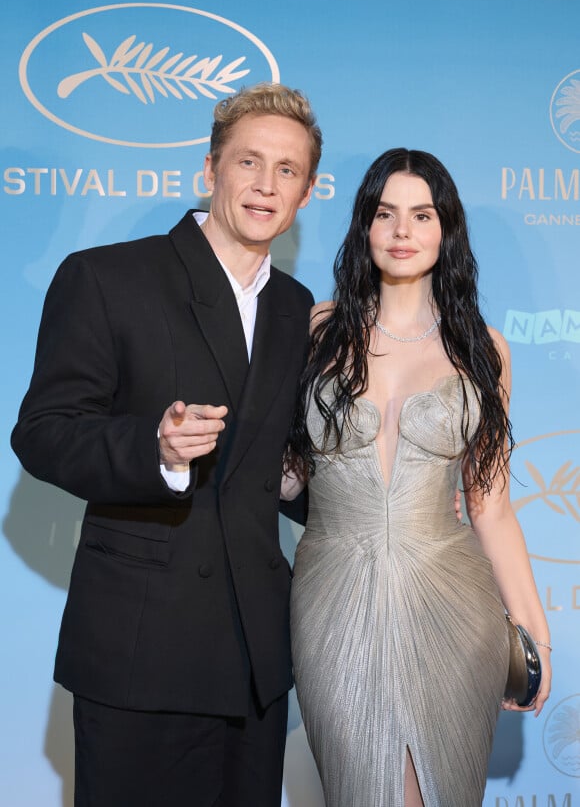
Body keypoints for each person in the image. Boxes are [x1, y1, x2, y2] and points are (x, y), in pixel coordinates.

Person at [11, 83, 322, 807]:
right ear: (209, 171)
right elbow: (44, 432)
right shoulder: (108, 277)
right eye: (249, 163)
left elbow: (289, 465)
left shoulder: (296, 309)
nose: (265, 185)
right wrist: (157, 450)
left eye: (286, 171)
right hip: (139, 652)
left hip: (255, 661)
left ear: (306, 194)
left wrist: (294, 481)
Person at [286, 148, 552, 806]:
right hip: (333, 600)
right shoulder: (315, 332)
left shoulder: (484, 350)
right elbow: (283, 475)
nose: (402, 232)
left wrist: (533, 633)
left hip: (453, 604)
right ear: (364, 228)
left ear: (446, 229)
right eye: (385, 215)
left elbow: (490, 504)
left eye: (422, 215)